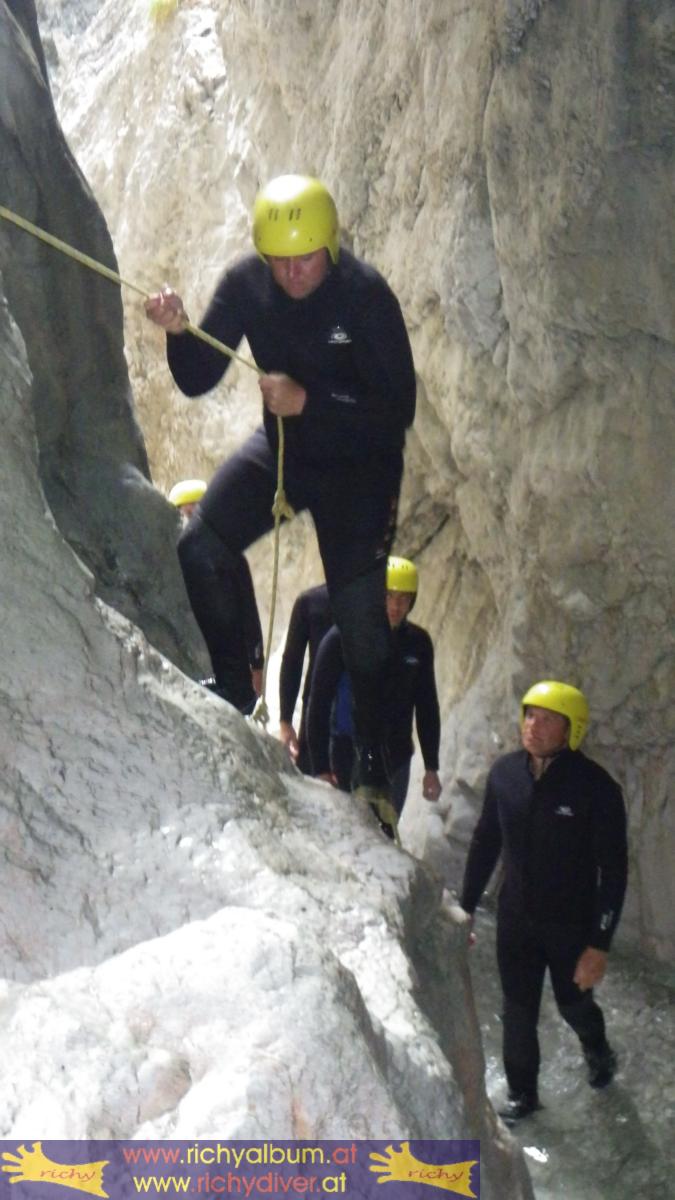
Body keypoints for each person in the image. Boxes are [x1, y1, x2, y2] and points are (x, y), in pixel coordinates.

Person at [146, 174, 416, 790]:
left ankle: (373, 759)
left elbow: (396, 408)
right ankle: (236, 691)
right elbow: (197, 378)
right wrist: (179, 332)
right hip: (286, 453)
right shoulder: (248, 284)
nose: (292, 273)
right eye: (280, 260)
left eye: (306, 258)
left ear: (331, 246)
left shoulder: (366, 297)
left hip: (361, 472)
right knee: (201, 547)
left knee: (361, 628)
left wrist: (310, 401)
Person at [459, 680, 628, 1125]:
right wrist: (466, 907)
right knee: (517, 1011)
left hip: (571, 924)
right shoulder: (505, 775)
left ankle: (597, 1049)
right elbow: (485, 842)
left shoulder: (596, 788)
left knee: (574, 1005)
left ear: (572, 730)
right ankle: (522, 1096)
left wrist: (599, 945)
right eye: (530, 715)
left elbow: (613, 872)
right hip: (516, 918)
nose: (533, 726)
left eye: (548, 719)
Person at [306, 556, 442, 831]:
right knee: (346, 834)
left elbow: (427, 705)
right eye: (388, 596)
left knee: (385, 836)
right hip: (347, 753)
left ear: (412, 601)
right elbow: (317, 703)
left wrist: (431, 767)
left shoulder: (418, 644)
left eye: (403, 598)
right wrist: (320, 767)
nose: (395, 606)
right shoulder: (342, 637)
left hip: (395, 758)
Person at [168, 477, 264, 704]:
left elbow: (249, 612)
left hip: (235, 680)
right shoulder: (183, 553)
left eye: (191, 513)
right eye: (185, 514)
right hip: (218, 672)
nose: (190, 522)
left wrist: (257, 664)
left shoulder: (228, 555)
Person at [278, 582, 333, 774]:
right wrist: (285, 721)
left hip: (351, 716)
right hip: (317, 712)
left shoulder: (374, 603)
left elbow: (292, 661)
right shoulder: (310, 602)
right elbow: (292, 661)